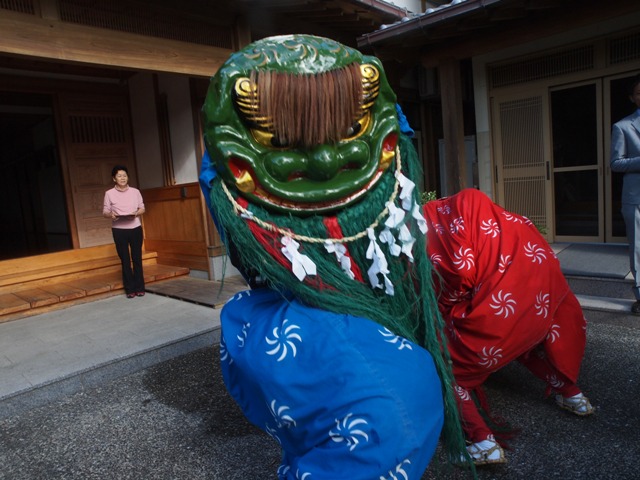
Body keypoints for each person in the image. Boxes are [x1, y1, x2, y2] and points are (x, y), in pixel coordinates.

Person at [200, 34, 468, 479]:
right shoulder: (238, 198)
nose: (325, 162)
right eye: (282, 140)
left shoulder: (387, 198)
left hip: (370, 304)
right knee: (386, 407)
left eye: (348, 131)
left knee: (399, 389)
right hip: (301, 310)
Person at [423, 188, 594, 465]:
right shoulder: (507, 220)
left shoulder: (435, 230)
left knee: (447, 369)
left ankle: (482, 442)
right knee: (525, 344)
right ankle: (574, 396)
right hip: (543, 305)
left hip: (498, 316)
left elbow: (458, 276)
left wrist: (440, 312)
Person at [610, 73, 640, 315]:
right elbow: (615, 163)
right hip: (635, 197)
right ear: (633, 97)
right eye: (639, 92)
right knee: (638, 246)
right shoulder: (622, 126)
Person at [103, 165, 146, 299]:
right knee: (125, 260)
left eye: (125, 175)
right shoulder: (109, 193)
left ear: (128, 177)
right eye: (119, 176)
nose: (123, 178)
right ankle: (130, 289)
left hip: (135, 229)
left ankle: (140, 287)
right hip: (119, 230)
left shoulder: (135, 191)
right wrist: (111, 215)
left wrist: (136, 213)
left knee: (137, 258)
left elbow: (142, 208)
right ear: (114, 178)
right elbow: (105, 212)